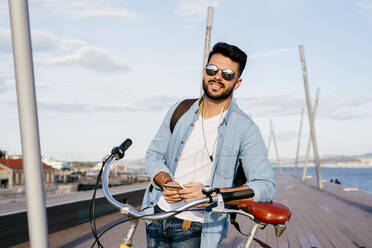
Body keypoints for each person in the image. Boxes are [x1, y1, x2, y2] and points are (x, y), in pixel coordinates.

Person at [141, 42, 276, 248]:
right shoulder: (179, 110)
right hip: (158, 213)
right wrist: (165, 181)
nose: (218, 77)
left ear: (237, 83)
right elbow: (153, 155)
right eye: (213, 70)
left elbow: (265, 186)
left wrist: (213, 195)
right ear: (204, 72)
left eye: (228, 74)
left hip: (197, 227)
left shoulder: (246, 129)